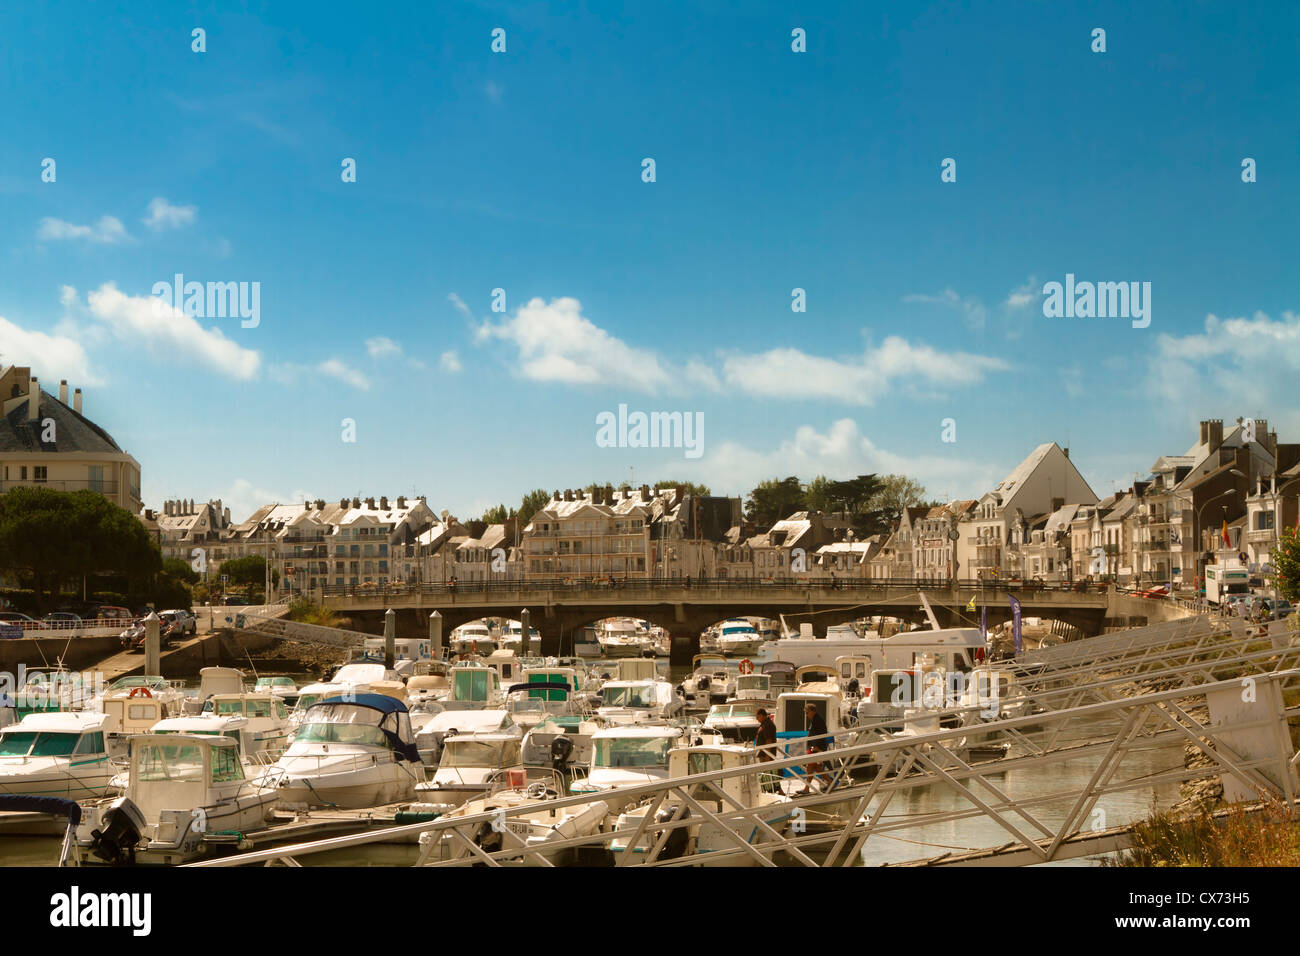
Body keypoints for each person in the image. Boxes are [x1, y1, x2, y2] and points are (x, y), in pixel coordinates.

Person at [804, 702, 830, 788]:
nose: (806, 715)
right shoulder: (815, 720)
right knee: (817, 768)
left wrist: (816, 747)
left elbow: (819, 735)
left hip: (816, 748)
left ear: (812, 711)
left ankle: (807, 788)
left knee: (810, 767)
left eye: (807, 713)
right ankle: (829, 782)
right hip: (815, 747)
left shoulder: (817, 720)